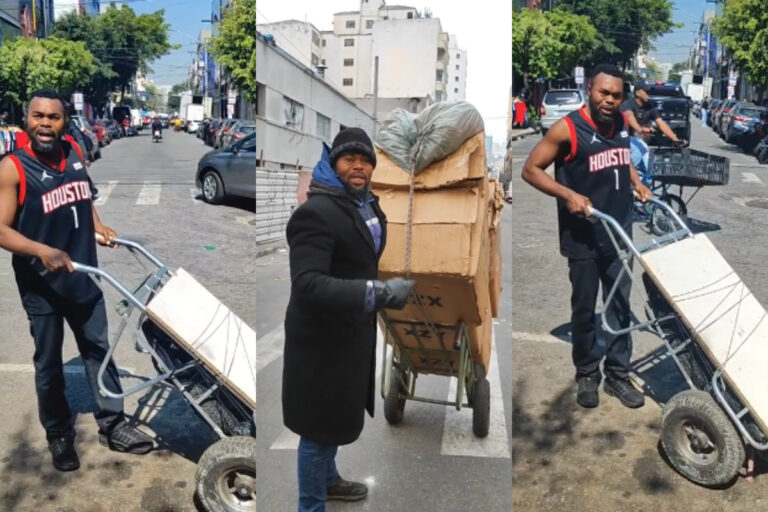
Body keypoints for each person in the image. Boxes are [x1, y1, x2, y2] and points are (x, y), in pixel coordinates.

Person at [0, 89, 154, 472]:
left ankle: (113, 424)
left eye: (53, 117)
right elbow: (1, 230)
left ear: (64, 121)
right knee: (48, 363)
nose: (46, 124)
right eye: (38, 116)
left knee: (99, 351)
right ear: (27, 119)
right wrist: (41, 251)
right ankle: (58, 433)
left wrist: (99, 227)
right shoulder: (12, 167)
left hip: (84, 275)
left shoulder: (73, 152)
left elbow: (82, 198)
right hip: (42, 286)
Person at [283, 127, 414, 511]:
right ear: (333, 163)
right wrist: (377, 293)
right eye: (348, 159)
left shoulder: (363, 204)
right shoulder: (315, 213)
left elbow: (359, 261)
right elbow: (307, 284)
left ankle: (330, 481)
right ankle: (311, 505)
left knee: (337, 415)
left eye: (365, 160)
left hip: (350, 331)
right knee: (318, 430)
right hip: (320, 340)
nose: (358, 166)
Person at [521, 64, 652, 410]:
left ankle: (618, 376)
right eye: (603, 93)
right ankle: (587, 373)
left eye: (616, 95)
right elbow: (530, 169)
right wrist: (568, 195)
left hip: (618, 229)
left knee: (621, 306)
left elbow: (623, 158)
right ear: (590, 90)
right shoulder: (568, 129)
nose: (609, 100)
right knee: (584, 306)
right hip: (583, 236)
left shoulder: (623, 122)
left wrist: (637, 182)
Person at [620, 81, 683, 175]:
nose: (648, 94)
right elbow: (630, 117)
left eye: (649, 91)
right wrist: (640, 129)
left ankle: (642, 182)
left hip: (636, 140)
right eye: (646, 91)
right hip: (622, 138)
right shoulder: (628, 104)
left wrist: (675, 139)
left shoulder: (650, 107)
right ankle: (625, 175)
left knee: (647, 161)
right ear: (637, 93)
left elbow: (662, 124)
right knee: (642, 148)